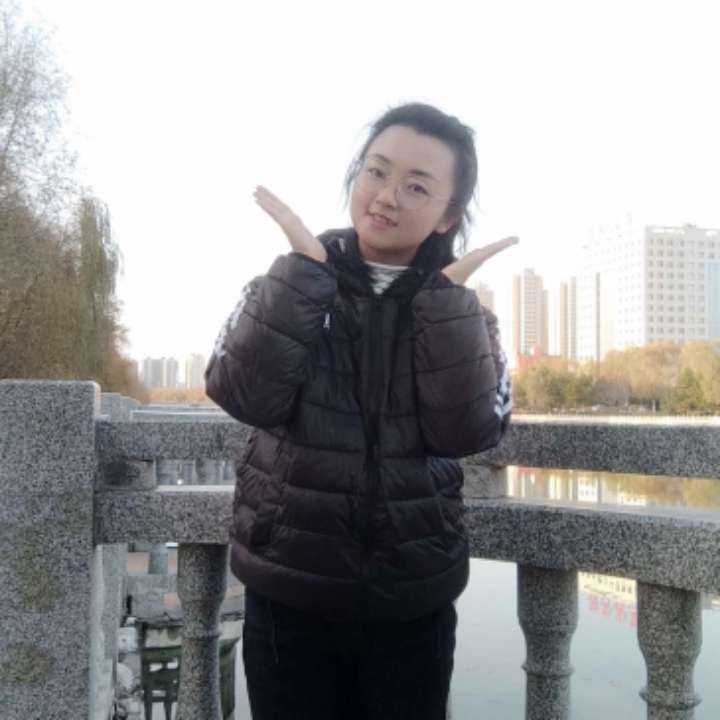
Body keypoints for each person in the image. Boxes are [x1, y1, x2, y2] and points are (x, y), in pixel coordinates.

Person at [205, 102, 516, 720]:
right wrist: (302, 277)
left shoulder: (465, 315)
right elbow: (242, 395)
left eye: (417, 186)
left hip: (413, 598)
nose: (387, 196)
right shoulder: (283, 286)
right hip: (288, 588)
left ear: (448, 215)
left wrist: (445, 306)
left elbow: (469, 431)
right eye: (376, 171)